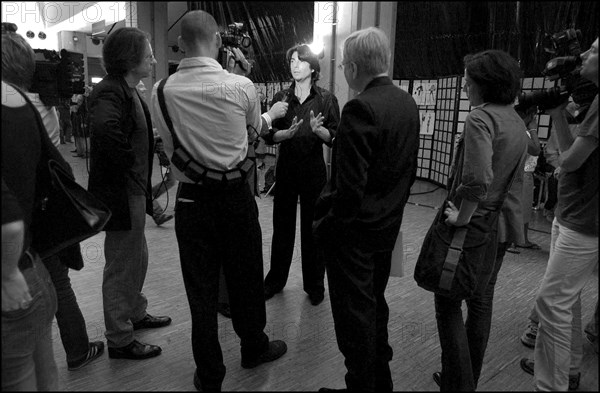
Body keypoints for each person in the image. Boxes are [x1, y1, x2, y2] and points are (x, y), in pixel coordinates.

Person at [150, 11, 287, 391]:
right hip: (234, 198)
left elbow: (170, 142)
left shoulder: (160, 91)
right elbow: (257, 130)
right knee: (245, 277)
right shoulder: (241, 85)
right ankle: (253, 347)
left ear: (180, 45)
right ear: (216, 40)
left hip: (192, 201)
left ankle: (210, 372)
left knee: (201, 290)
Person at [313, 27, 420, 391]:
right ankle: (379, 383)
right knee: (374, 308)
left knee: (353, 320)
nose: (343, 70)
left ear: (354, 67)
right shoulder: (406, 102)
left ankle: (361, 385)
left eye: (343, 64)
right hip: (386, 230)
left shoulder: (359, 107)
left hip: (354, 237)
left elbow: (349, 188)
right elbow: (408, 173)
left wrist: (327, 227)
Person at [2, 30, 105, 371]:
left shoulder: (16, 108)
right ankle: (76, 348)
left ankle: (76, 347)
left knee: (53, 289)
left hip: (26, 226)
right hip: (40, 217)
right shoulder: (41, 106)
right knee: (57, 286)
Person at [429, 49, 527, 391]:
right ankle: (465, 379)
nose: (464, 83)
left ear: (484, 83)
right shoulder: (515, 119)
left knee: (448, 299)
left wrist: (462, 216)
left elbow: (476, 177)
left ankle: (458, 382)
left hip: (473, 228)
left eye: (468, 77)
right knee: (481, 300)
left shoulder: (480, 119)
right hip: (501, 226)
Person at [87, 27, 171, 361]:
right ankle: (120, 339)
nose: (152, 58)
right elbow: (106, 131)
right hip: (123, 192)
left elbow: (124, 129)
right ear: (130, 57)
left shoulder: (129, 89)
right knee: (122, 265)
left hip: (133, 191)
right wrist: (131, 164)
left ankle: (135, 312)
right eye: (148, 52)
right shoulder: (110, 90)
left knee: (138, 257)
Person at [520, 37, 598, 391]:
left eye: (594, 50)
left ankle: (551, 386)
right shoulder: (593, 103)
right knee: (569, 299)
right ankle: (568, 370)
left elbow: (568, 160)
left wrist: (557, 115)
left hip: (582, 222)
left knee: (550, 302)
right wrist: (560, 112)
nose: (583, 55)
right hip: (572, 213)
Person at [261, 42, 340, 305]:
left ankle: (315, 285)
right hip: (286, 169)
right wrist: (282, 134)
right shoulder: (281, 99)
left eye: (300, 60)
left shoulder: (327, 99)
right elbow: (269, 135)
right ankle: (275, 280)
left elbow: (335, 138)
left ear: (313, 67)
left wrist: (320, 131)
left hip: (314, 170)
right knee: (282, 228)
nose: (294, 65)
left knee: (313, 229)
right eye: (291, 61)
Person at [2, 79, 59, 390]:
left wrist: (6, 273)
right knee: (44, 374)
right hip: (33, 268)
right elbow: (56, 167)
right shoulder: (19, 100)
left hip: (12, 280)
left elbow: (8, 221)